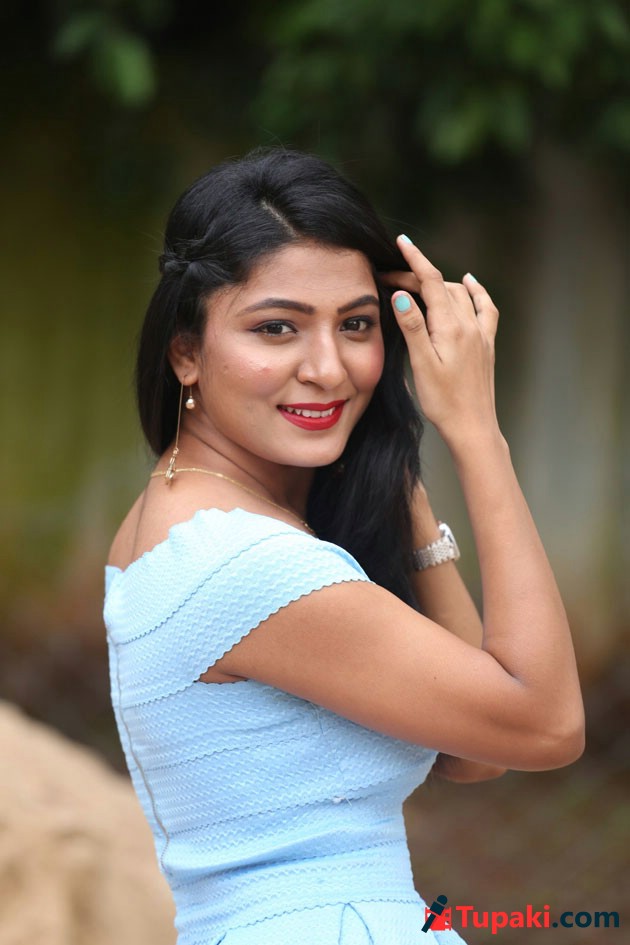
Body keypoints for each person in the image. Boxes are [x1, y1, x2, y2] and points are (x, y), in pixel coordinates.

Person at [103, 148, 584, 945]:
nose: (328, 368)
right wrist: (475, 431)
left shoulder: (183, 522)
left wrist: (397, 482)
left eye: (356, 324)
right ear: (185, 350)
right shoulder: (246, 565)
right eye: (277, 327)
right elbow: (545, 723)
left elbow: (475, 754)